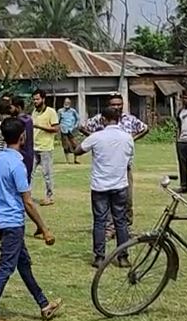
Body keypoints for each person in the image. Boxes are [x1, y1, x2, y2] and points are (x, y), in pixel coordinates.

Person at [0, 116, 62, 321]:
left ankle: (44, 304)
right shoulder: (17, 164)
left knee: (24, 266)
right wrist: (45, 230)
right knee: (5, 268)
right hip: (14, 223)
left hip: (4, 220)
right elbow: (27, 201)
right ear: (23, 136)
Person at [74, 107, 134, 268]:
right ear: (119, 119)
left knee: (100, 221)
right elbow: (128, 158)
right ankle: (123, 257)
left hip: (100, 185)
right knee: (120, 221)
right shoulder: (127, 137)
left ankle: (99, 257)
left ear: (103, 120)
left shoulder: (96, 137)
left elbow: (78, 151)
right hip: (120, 184)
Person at [84, 93, 150, 224]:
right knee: (106, 199)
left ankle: (126, 226)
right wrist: (96, 139)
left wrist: (132, 138)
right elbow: (83, 127)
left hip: (125, 166)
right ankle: (109, 228)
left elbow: (145, 128)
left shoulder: (129, 119)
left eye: (119, 104)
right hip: (106, 167)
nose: (116, 107)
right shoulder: (100, 119)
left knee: (127, 198)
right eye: (113, 104)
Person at [29, 90, 59, 206]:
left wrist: (39, 126)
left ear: (43, 99)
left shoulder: (51, 112)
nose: (35, 101)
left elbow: (56, 129)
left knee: (47, 173)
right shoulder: (34, 112)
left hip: (46, 147)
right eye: (34, 99)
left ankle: (49, 196)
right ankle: (28, 195)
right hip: (34, 147)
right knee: (29, 172)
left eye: (37, 99)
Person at [10, 96, 36, 184]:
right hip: (30, 153)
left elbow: (22, 139)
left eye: (11, 107)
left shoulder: (18, 121)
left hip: (21, 153)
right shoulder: (29, 119)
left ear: (18, 107)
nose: (10, 110)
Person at [58, 97, 80, 164]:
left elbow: (78, 119)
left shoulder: (73, 111)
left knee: (75, 145)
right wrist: (59, 128)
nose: (66, 104)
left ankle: (76, 160)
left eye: (68, 103)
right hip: (63, 130)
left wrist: (75, 126)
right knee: (66, 146)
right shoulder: (60, 111)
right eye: (65, 102)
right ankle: (67, 161)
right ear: (63, 103)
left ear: (70, 103)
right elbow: (57, 121)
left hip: (71, 130)